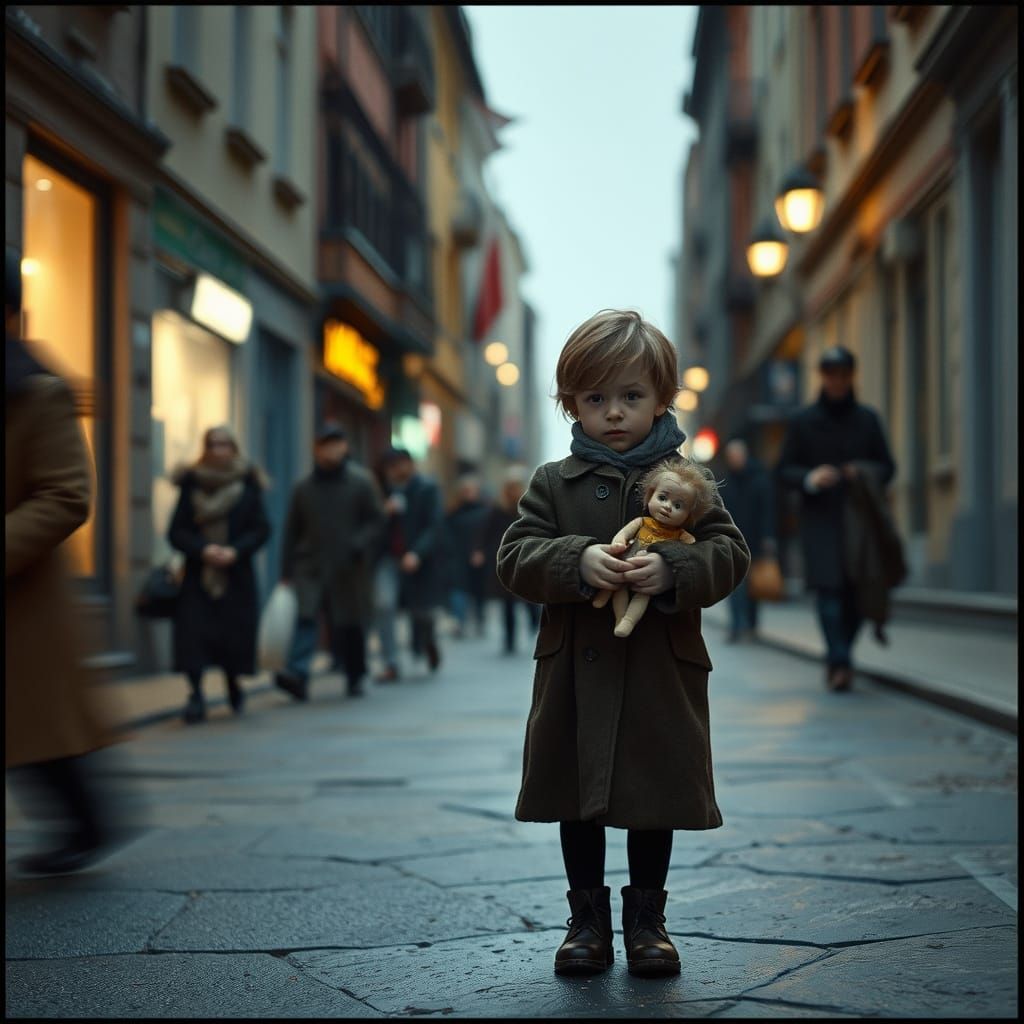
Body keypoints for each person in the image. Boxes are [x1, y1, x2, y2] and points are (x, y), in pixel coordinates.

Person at [497, 309, 750, 977]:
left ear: (661, 399)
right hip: (577, 669)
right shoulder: (554, 482)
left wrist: (675, 569)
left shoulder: (685, 480)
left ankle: (647, 922)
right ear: (571, 403)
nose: (614, 413)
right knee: (575, 796)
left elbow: (731, 553)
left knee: (653, 794)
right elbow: (513, 556)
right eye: (596, 398)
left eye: (631, 397)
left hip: (657, 667)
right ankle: (586, 921)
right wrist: (575, 560)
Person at [5, 244, 120, 875]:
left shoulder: (38, 393)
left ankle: (91, 822)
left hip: (24, 599)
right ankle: (87, 821)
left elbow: (67, 495)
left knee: (41, 727)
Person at [776, 345, 896, 692]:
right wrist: (811, 478)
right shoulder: (802, 421)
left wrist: (861, 471)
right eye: (830, 374)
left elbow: (888, 466)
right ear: (823, 377)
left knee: (857, 595)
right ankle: (839, 661)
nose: (836, 381)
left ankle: (840, 657)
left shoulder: (868, 420)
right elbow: (784, 470)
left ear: (850, 376)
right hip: (821, 521)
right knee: (828, 594)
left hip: (860, 523)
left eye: (842, 374)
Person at [168, 424, 271, 723]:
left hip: (236, 575)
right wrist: (203, 550)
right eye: (213, 444)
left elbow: (261, 528)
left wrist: (235, 551)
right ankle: (196, 695)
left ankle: (232, 683)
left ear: (234, 448)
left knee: (232, 636)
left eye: (224, 444)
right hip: (198, 575)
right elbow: (176, 531)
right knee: (194, 636)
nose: (218, 450)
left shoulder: (249, 482)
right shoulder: (191, 483)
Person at [275, 423, 384, 701]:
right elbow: (291, 531)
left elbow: (376, 520)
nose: (332, 450)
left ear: (345, 447)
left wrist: (358, 544)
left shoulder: (361, 481)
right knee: (306, 618)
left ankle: (355, 675)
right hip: (310, 565)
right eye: (326, 444)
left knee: (349, 624)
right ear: (317, 449)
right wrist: (285, 571)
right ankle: (297, 674)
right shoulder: (304, 487)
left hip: (349, 566)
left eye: (337, 443)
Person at [376, 447, 444, 678]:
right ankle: (391, 663)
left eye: (399, 465)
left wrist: (417, 553)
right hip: (387, 558)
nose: (395, 470)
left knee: (421, 613)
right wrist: (383, 512)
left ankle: (428, 642)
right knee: (384, 605)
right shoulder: (382, 492)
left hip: (418, 560)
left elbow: (434, 527)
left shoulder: (427, 488)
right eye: (391, 466)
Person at [472, 465, 540, 655]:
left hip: (526, 555)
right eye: (510, 487)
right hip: (503, 556)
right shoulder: (498, 507)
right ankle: (509, 639)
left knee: (529, 595)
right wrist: (479, 550)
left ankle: (535, 620)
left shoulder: (530, 505)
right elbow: (486, 531)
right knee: (507, 600)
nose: (513, 490)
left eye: (516, 486)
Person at [721, 438, 777, 642]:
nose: (734, 459)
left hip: (754, 541)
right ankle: (737, 626)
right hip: (732, 542)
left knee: (754, 588)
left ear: (745, 455)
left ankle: (752, 626)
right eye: (730, 456)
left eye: (736, 455)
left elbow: (767, 512)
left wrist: (768, 537)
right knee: (735, 587)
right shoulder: (725, 482)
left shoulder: (760, 480)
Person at [442, 474, 489, 638]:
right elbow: (445, 533)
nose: (468, 493)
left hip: (478, 557)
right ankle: (459, 622)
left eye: (471, 490)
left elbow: (488, 535)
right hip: (458, 556)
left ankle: (480, 618)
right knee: (458, 590)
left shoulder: (485, 511)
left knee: (478, 591)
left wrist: (481, 551)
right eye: (465, 491)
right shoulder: (453, 512)